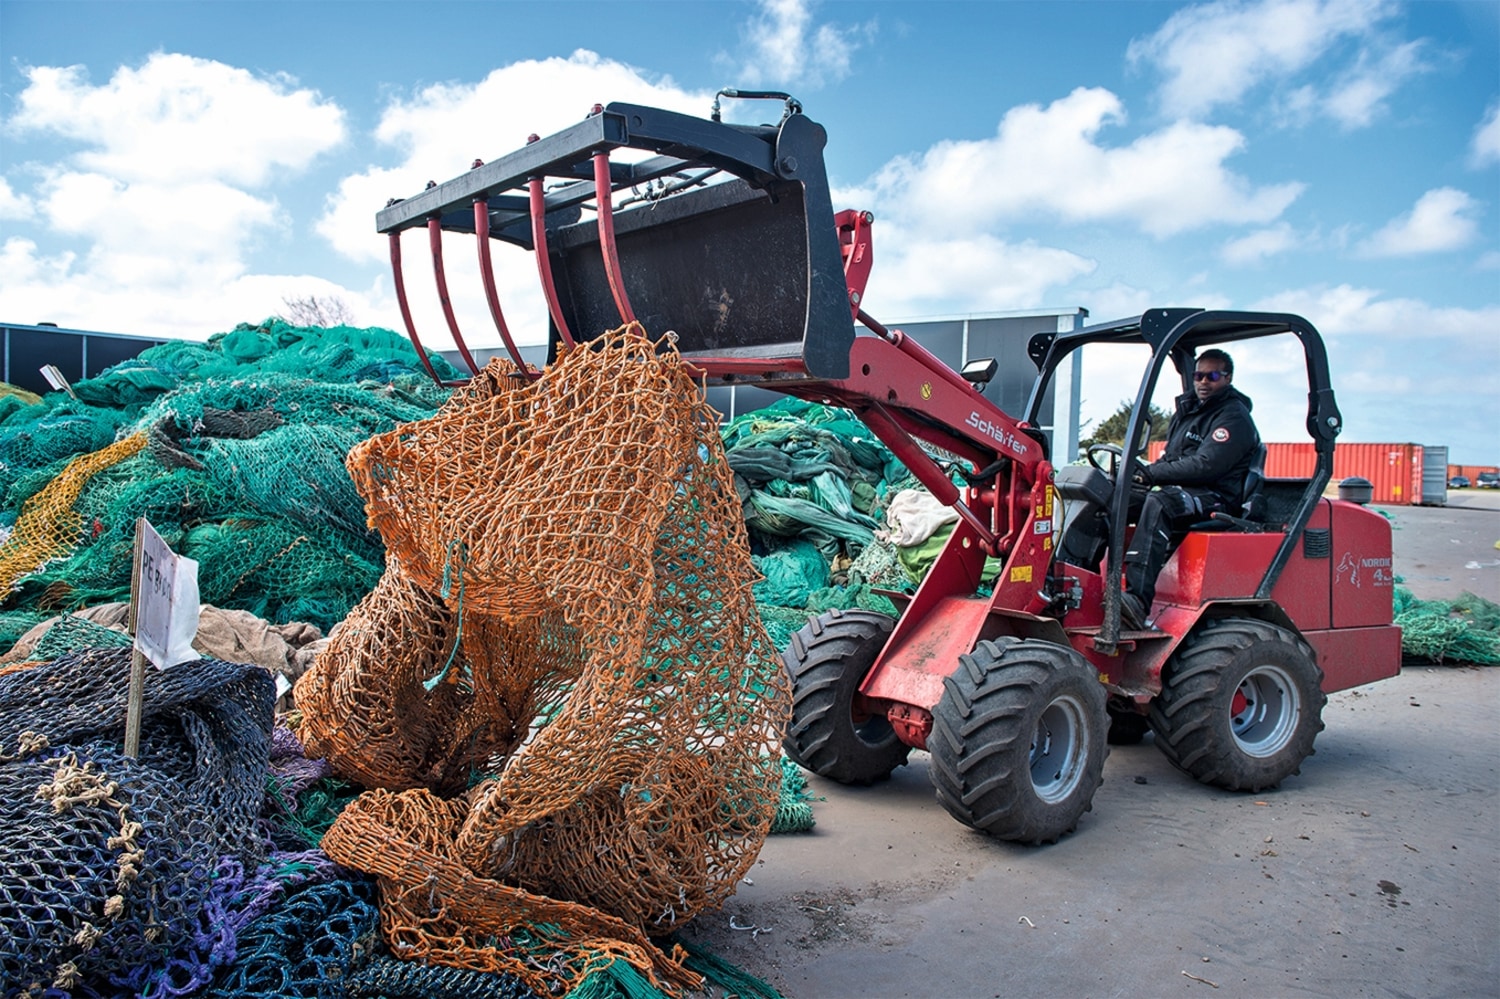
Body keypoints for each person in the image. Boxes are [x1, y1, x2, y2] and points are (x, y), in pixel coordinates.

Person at [1120, 348, 1259, 630]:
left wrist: (1152, 474)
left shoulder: (1234, 417)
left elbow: (1207, 465)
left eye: (1213, 375)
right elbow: (1172, 458)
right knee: (1112, 496)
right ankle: (1078, 582)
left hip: (1216, 496)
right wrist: (1138, 474)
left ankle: (1136, 601)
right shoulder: (1188, 412)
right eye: (1198, 375)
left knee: (1162, 503)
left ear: (1228, 378)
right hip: (1186, 490)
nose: (1204, 382)